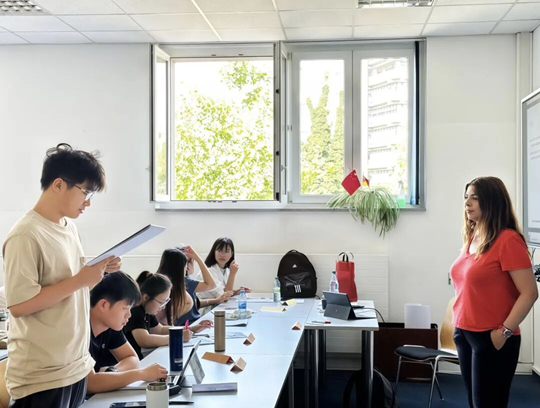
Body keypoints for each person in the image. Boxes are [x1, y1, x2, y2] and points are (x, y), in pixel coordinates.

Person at [2, 143, 121, 407]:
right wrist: (81, 280)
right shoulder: (25, 235)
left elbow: (68, 285)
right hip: (42, 377)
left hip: (76, 366)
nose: (88, 202)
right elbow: (19, 305)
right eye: (85, 192)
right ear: (58, 184)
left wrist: (100, 269)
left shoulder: (69, 228)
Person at [450, 176, 538, 408]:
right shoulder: (474, 236)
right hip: (464, 333)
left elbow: (530, 293)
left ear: (492, 202)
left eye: (475, 198)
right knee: (474, 402)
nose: (467, 203)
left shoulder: (508, 240)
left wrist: (504, 332)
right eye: (466, 197)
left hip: (492, 337)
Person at [87, 272, 167, 394]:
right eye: (125, 308)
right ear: (103, 305)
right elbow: (90, 384)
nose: (129, 315)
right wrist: (141, 374)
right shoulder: (79, 331)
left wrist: (112, 371)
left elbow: (132, 358)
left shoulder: (110, 327)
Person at [156, 246, 215, 327]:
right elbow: (210, 284)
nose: (187, 267)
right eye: (187, 263)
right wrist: (198, 258)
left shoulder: (160, 281)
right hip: (185, 326)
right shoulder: (182, 282)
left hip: (186, 326)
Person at [197, 237, 250, 309]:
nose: (223, 254)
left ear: (231, 254)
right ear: (214, 252)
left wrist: (236, 292)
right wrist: (232, 274)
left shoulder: (226, 270)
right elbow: (224, 296)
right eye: (219, 250)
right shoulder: (208, 271)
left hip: (219, 306)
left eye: (227, 251)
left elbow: (225, 292)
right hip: (207, 308)